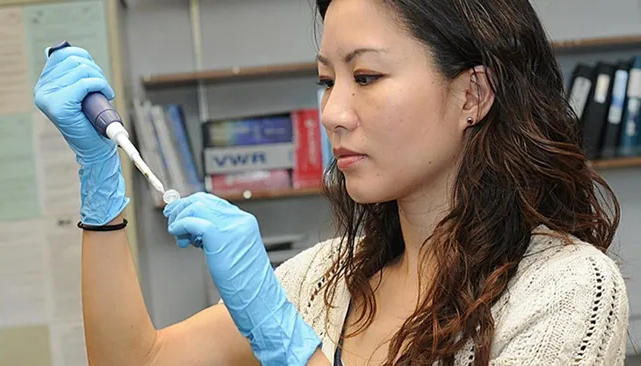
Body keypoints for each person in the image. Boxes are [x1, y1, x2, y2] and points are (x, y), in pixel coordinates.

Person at [33, 0, 631, 365]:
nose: (332, 112)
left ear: (472, 93)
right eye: (327, 81)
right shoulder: (327, 280)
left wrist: (288, 346)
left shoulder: (567, 288)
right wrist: (100, 179)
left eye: (365, 76)